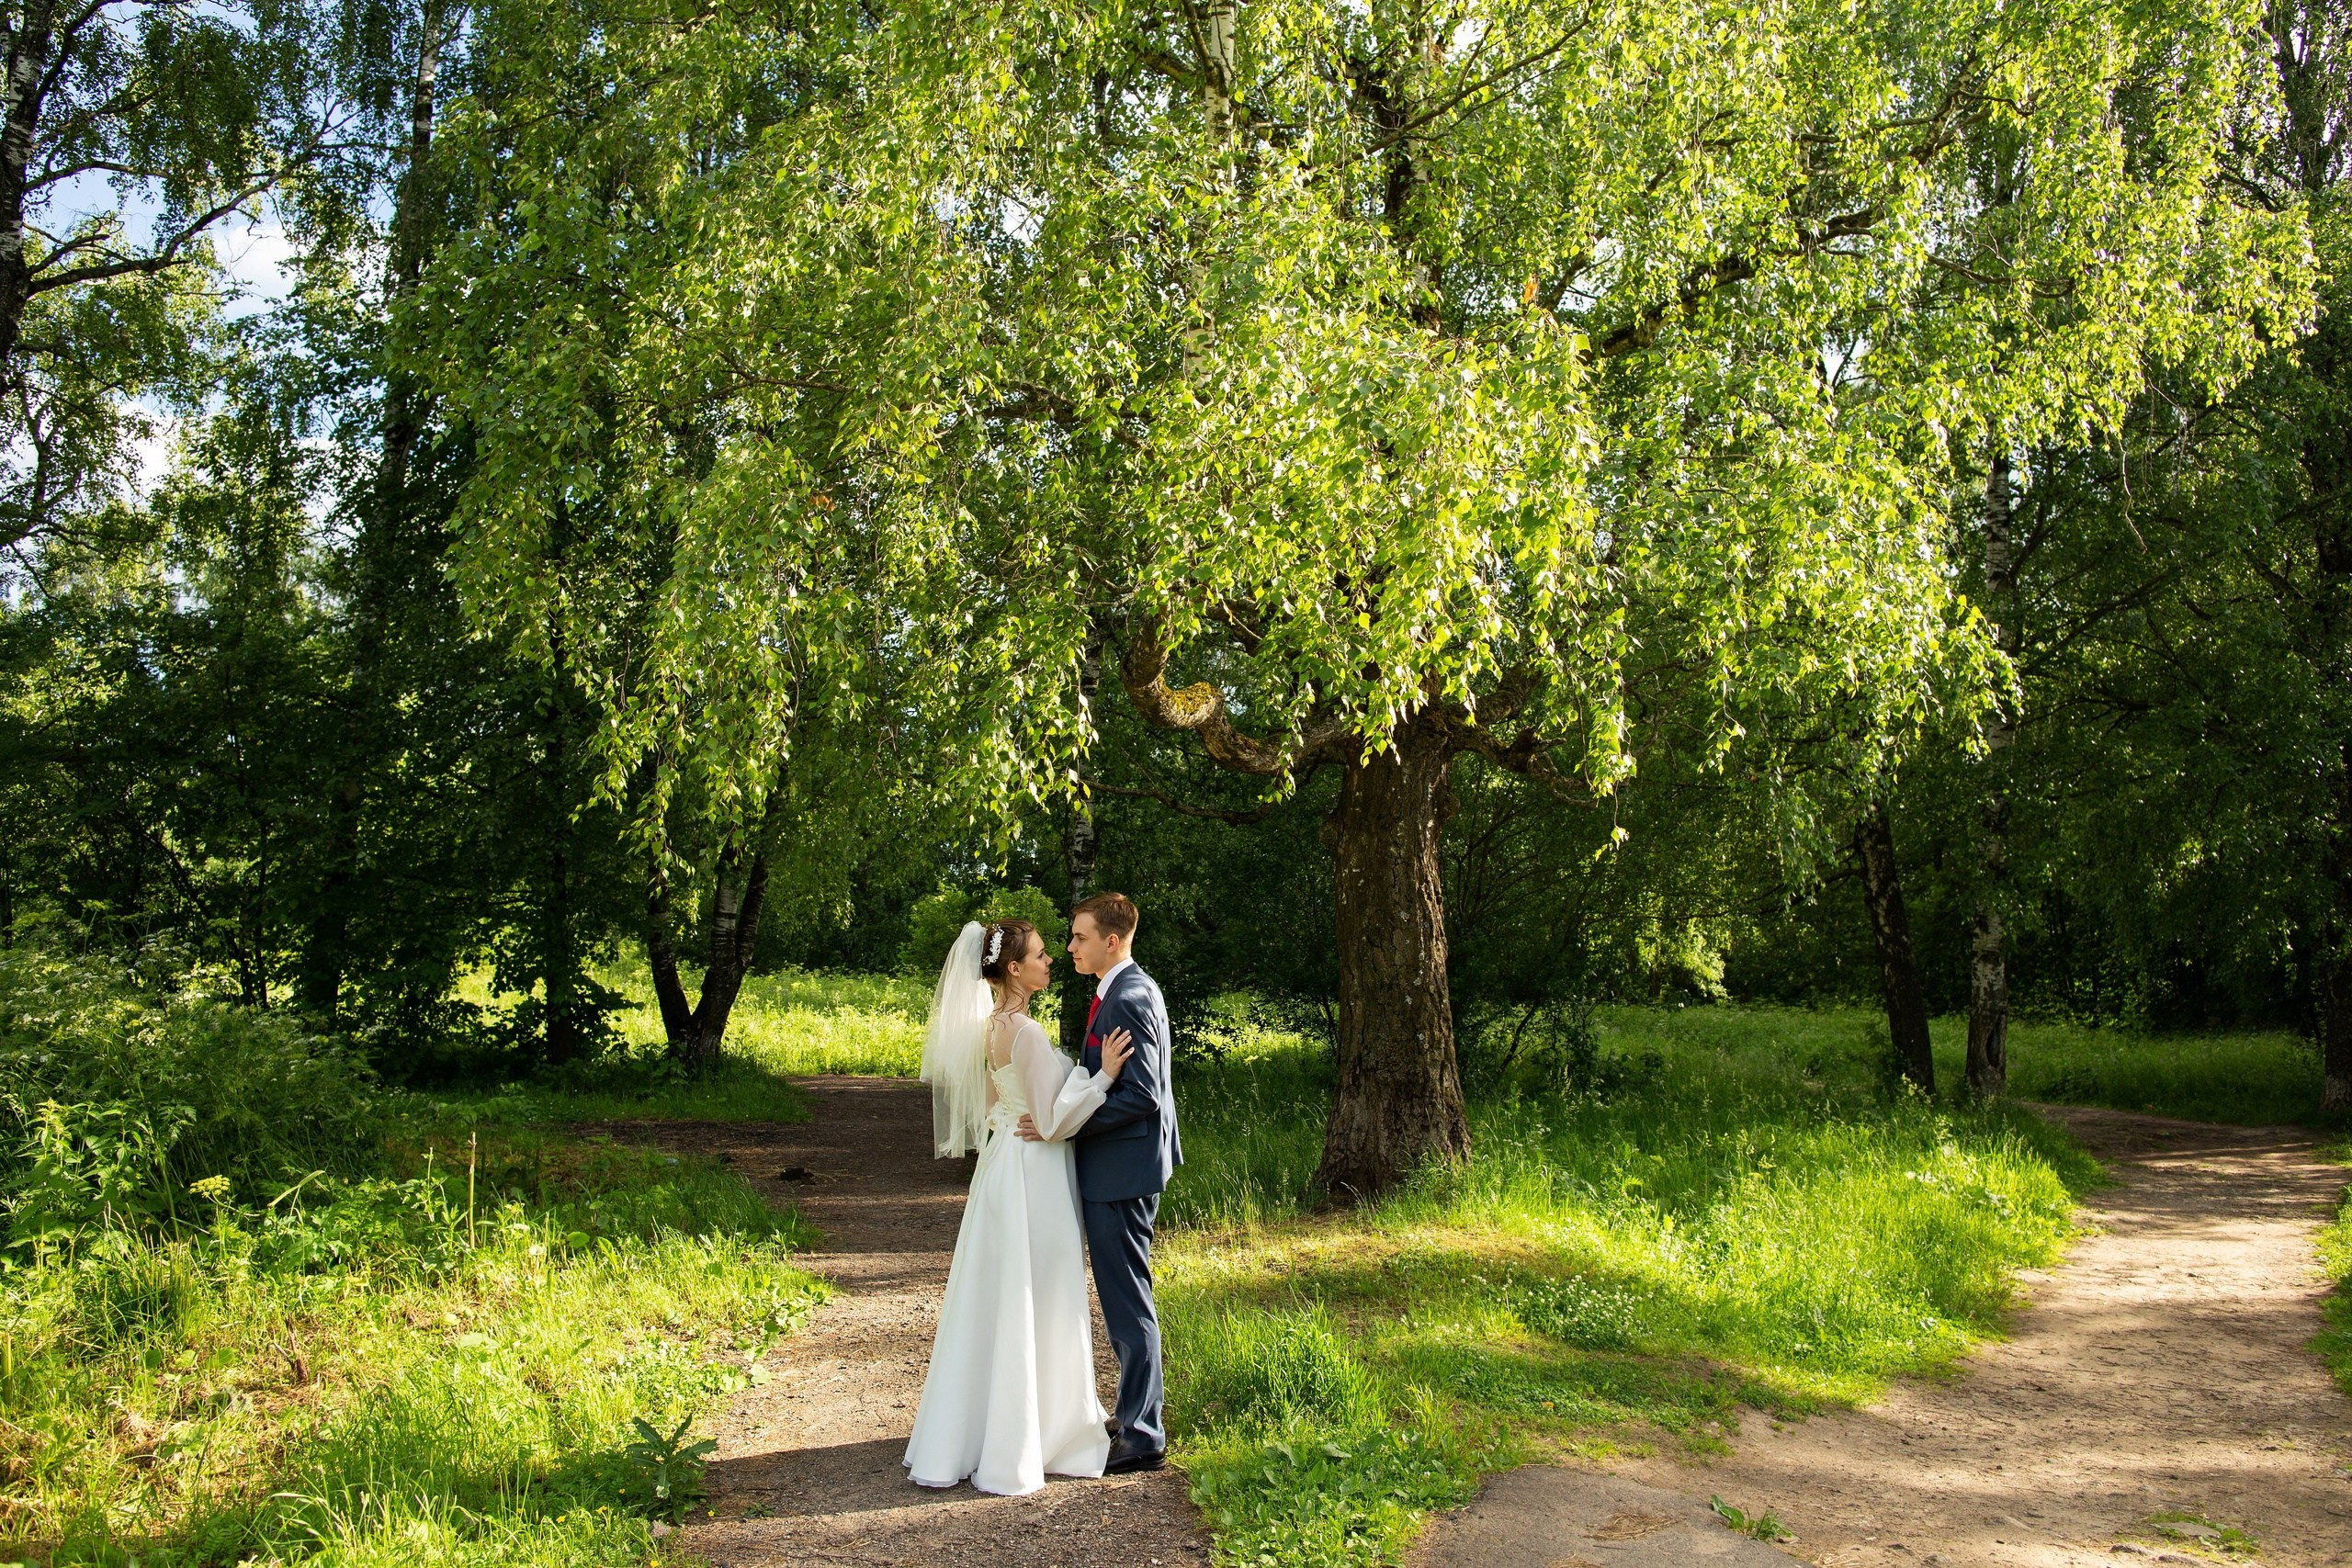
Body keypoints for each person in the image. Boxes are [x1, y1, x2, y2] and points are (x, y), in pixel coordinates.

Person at [902, 917, 1136, 1495]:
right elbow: (1053, 1121)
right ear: (1014, 969)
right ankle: (1039, 1433)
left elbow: (991, 1106)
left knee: (997, 1292)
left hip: (1001, 1166)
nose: (1051, 959)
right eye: (1039, 954)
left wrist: (1027, 1115)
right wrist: (1103, 1077)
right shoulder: (1026, 1033)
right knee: (1041, 1292)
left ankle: (978, 1430)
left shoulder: (988, 1029)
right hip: (1033, 1173)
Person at [1019, 890, 1182, 1475]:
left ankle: (1143, 1434)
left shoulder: (1129, 997)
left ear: (1112, 940)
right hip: (1124, 1165)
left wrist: (1065, 1125)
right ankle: (1135, 1411)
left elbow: (1142, 1096)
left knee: (1126, 1297)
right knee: (1121, 1294)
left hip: (1122, 1170)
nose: (1070, 947)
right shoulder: (1125, 989)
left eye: (1080, 937)